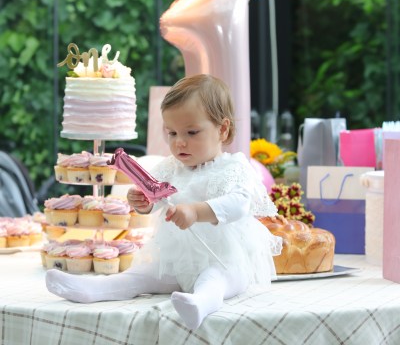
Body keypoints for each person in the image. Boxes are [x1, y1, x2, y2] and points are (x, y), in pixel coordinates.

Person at [46, 73, 283, 330]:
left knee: (215, 279)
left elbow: (240, 203)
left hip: (225, 257)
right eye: (172, 133)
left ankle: (201, 302)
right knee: (143, 274)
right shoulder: (171, 167)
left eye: (192, 132)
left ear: (222, 129)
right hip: (178, 258)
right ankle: (95, 288)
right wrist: (142, 201)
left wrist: (196, 211)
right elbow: (156, 195)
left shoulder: (234, 167)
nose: (179, 142)